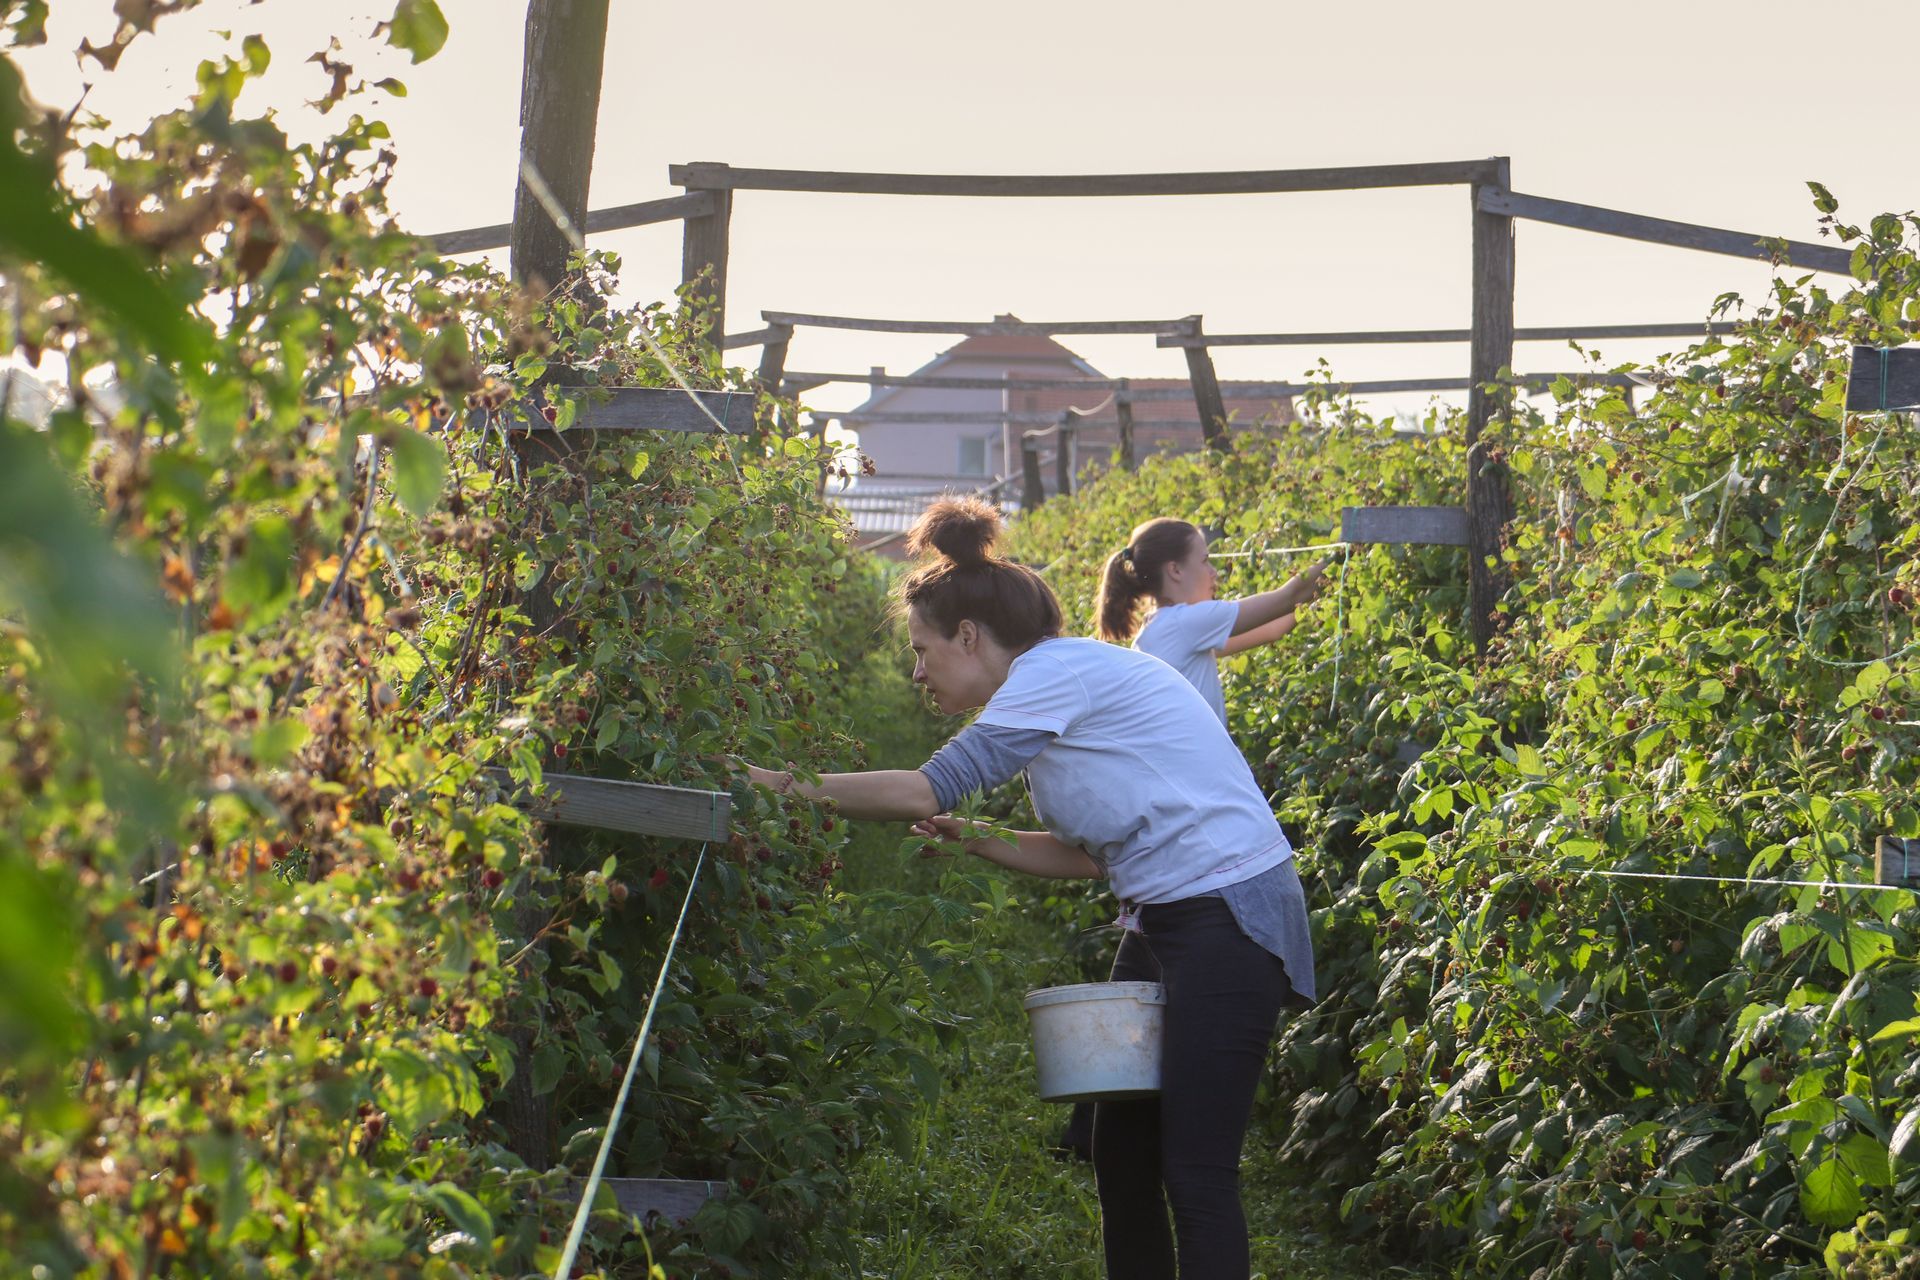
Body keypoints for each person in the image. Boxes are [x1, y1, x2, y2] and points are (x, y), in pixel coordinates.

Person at [740, 498, 1315, 1280]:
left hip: (1230, 917)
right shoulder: (1062, 681)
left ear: (969, 636)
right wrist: (978, 839)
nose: (915, 671)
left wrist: (776, 786)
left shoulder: (1054, 674)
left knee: (1195, 1168)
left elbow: (924, 788)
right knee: (1119, 1153)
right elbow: (1089, 858)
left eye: (921, 649)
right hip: (1169, 918)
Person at [1094, 517, 1330, 727]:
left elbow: (1272, 629)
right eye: (1205, 561)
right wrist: (1342, 556)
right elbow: (1289, 597)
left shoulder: (1162, 630)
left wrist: (1319, 599)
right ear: (1175, 570)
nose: (1213, 571)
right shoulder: (1185, 623)